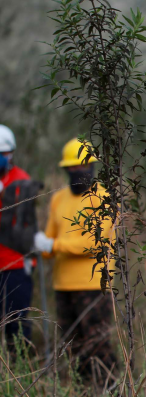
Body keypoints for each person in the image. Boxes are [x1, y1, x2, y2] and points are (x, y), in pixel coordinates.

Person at [34, 138, 118, 382]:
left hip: (94, 286)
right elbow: (50, 244)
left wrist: (54, 245)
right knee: (72, 345)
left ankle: (109, 391)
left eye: (79, 167)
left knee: (97, 343)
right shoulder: (58, 199)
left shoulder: (105, 198)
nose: (75, 172)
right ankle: (83, 394)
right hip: (63, 286)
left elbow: (96, 244)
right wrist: (41, 245)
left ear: (91, 167)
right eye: (70, 168)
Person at [0, 125, 40, 348]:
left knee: (16, 325)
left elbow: (21, 222)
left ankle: (18, 369)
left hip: (15, 266)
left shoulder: (21, 180)